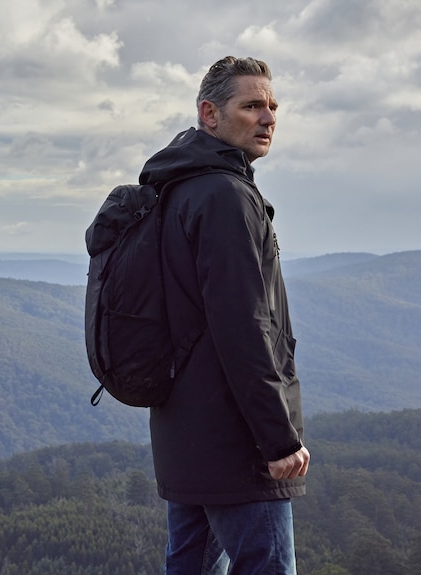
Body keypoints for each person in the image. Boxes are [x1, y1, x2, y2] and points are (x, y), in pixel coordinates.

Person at [138, 56, 310, 574]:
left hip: (185, 433)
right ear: (209, 114)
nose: (268, 117)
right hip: (237, 440)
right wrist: (277, 439)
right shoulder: (225, 196)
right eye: (252, 105)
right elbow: (244, 327)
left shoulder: (177, 187)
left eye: (273, 106)